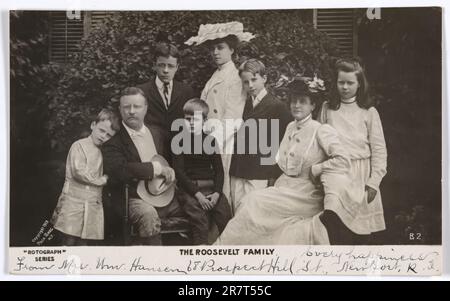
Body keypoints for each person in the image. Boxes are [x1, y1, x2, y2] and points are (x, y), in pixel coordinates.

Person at [214, 78, 350, 245]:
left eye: (302, 102)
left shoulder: (321, 130)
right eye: (293, 101)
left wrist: (318, 168)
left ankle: (224, 248)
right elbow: (280, 160)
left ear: (312, 106)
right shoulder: (290, 127)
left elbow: (343, 160)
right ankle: (233, 252)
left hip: (306, 194)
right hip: (284, 188)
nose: (296, 105)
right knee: (250, 201)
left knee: (253, 202)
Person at [318, 58, 388, 244]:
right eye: (341, 82)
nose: (345, 87)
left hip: (361, 175)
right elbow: (318, 143)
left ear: (359, 84)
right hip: (336, 172)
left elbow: (379, 149)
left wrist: (374, 182)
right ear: (336, 83)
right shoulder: (328, 108)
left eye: (350, 83)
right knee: (333, 221)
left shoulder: (368, 112)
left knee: (359, 232)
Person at [101, 87, 182, 245]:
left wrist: (173, 171)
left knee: (198, 208)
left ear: (145, 108)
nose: (131, 111)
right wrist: (156, 169)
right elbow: (120, 170)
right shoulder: (113, 142)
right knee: (148, 215)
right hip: (133, 197)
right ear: (120, 109)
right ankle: (152, 264)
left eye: (136, 106)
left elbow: (175, 160)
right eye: (126, 107)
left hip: (165, 194)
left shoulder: (158, 133)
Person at [185, 21, 255, 201]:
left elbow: (232, 117)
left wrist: (211, 143)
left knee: (222, 188)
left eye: (220, 48)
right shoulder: (216, 75)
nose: (215, 52)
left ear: (232, 50)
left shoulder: (235, 77)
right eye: (213, 49)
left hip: (223, 142)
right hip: (209, 139)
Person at [229, 59, 292, 213]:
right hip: (238, 169)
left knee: (254, 214)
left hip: (260, 172)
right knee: (236, 214)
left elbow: (284, 142)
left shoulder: (277, 107)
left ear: (264, 78)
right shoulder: (242, 104)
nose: (250, 85)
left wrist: (274, 174)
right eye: (245, 82)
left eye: (254, 80)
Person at [51, 108, 120, 246]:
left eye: (108, 135)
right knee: (69, 239)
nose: (103, 137)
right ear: (93, 125)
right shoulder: (79, 146)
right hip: (74, 201)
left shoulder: (104, 151)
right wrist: (101, 180)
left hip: (92, 202)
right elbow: (78, 171)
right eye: (101, 130)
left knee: (85, 241)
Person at [171, 98, 232, 244]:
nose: (191, 122)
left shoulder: (210, 141)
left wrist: (217, 193)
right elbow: (179, 172)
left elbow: (219, 171)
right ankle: (201, 250)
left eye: (196, 119)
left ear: (204, 120)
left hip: (211, 187)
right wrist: (198, 195)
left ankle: (228, 250)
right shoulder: (178, 141)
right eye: (188, 119)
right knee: (199, 218)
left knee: (225, 214)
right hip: (190, 188)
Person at [137, 42, 196, 136]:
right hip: (152, 147)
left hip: (179, 147)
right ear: (154, 65)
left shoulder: (187, 91)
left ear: (177, 67)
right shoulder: (141, 92)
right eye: (161, 65)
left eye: (171, 66)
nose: (166, 70)